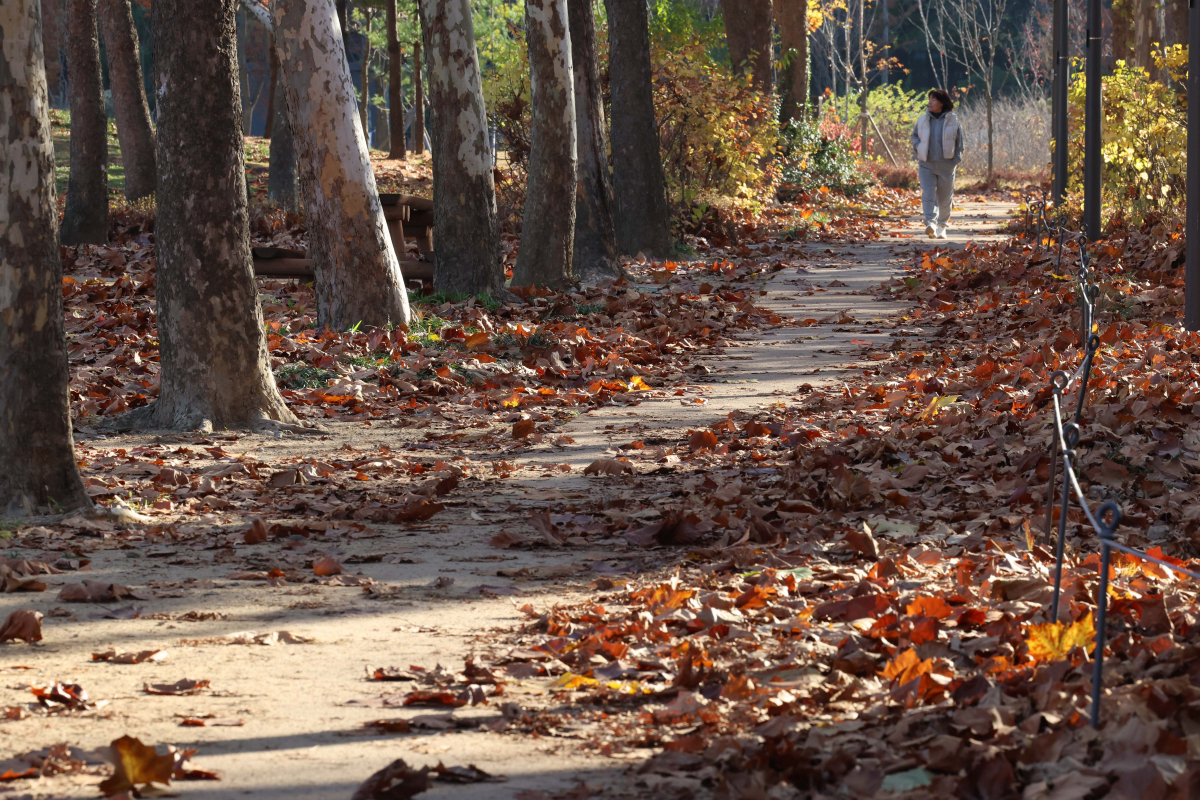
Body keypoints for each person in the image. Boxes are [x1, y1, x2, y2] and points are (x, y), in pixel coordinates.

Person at [911, 89, 963, 240]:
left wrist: (956, 159)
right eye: (929, 99)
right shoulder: (922, 119)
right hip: (926, 164)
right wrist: (918, 147)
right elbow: (914, 135)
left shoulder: (953, 120)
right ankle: (931, 224)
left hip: (946, 165)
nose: (930, 102)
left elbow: (960, 142)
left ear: (942, 103)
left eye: (933, 100)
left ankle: (942, 226)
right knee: (928, 194)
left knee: (945, 198)